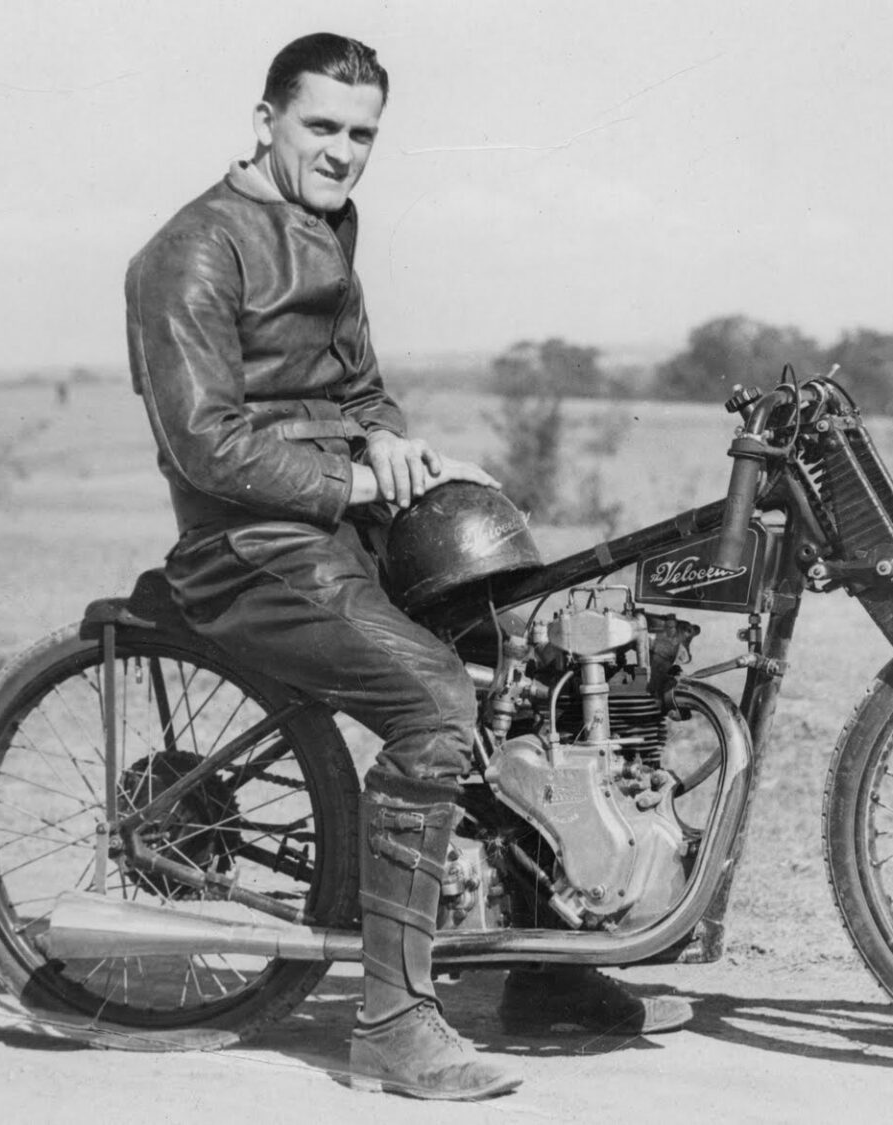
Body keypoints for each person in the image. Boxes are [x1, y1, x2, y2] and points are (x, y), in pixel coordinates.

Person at [124, 32, 690, 1102]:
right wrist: (352, 483)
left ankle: (540, 971)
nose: (342, 153)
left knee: (532, 650)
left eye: (361, 134)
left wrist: (398, 447)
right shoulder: (190, 252)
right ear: (265, 122)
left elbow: (361, 386)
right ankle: (391, 1026)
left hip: (343, 521)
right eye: (321, 128)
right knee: (437, 707)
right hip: (248, 546)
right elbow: (206, 444)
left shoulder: (327, 224)